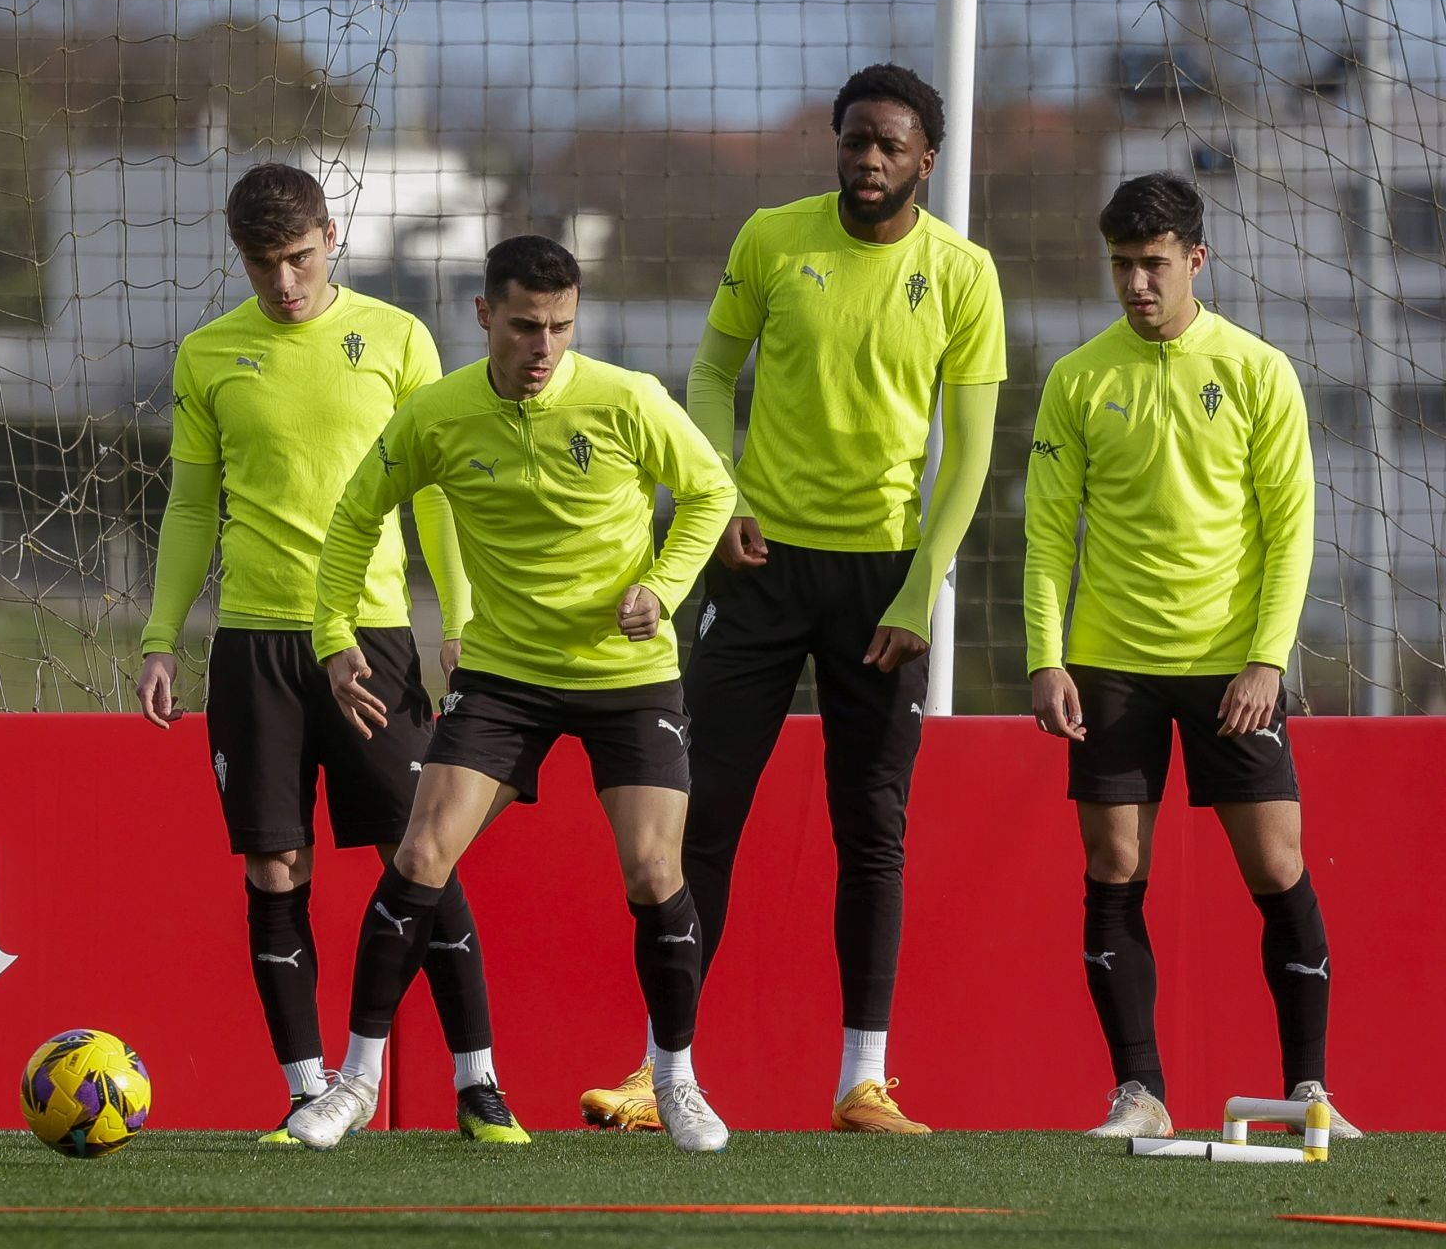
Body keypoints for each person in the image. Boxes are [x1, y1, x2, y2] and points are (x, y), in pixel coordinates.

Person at [579, 63, 1006, 1134]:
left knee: (872, 826)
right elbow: (710, 379)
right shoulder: (772, 238)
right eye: (855, 140)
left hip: (882, 583)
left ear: (926, 160)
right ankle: (657, 1069)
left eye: (890, 145)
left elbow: (969, 459)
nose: (868, 159)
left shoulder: (963, 271)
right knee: (699, 816)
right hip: (758, 567)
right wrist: (722, 500)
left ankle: (864, 1079)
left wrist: (920, 587)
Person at [285, 235, 737, 1153]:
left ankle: (675, 1079)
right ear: (484, 315)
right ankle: (355, 1083)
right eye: (525, 326)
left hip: (625, 674)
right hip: (504, 678)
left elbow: (710, 491)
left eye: (561, 328)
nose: (543, 348)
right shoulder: (437, 415)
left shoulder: (627, 399)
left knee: (655, 873)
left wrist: (665, 586)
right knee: (418, 855)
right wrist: (335, 639)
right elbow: (351, 520)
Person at [133, 163, 526, 1144]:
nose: (285, 284)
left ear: (331, 238)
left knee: (424, 849)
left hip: (374, 639)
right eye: (265, 265)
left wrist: (460, 615)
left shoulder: (399, 339)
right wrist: (159, 638)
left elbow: (437, 489)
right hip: (256, 649)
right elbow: (191, 506)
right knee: (275, 863)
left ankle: (478, 1082)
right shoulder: (209, 354)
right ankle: (312, 1090)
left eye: (300, 259)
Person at [1024, 171, 1359, 1140]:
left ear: (1195, 261)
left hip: (1231, 666)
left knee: (1278, 862)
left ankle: (1307, 1091)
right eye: (1123, 264)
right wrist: (1048, 656)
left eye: (1154, 263)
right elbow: (1050, 533)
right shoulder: (1080, 377)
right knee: (1115, 861)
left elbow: (1292, 530)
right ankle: (1139, 1091)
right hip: (1110, 660)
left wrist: (1267, 657)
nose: (1137, 282)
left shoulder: (1257, 371)